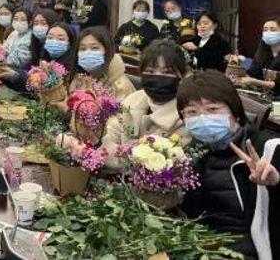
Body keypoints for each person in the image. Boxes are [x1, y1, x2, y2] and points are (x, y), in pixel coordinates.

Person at [178, 70, 279, 258]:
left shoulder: (268, 149)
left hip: (251, 248)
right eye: (192, 112)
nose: (203, 118)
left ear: (236, 113)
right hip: (200, 243)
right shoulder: (190, 154)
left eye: (213, 109)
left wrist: (275, 183)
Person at [102, 40, 191, 168]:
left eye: (166, 72)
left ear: (181, 76)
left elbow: (171, 164)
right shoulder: (133, 100)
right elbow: (109, 140)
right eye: (150, 71)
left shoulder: (187, 113)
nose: (157, 77)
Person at [67, 26, 135, 100]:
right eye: (83, 49)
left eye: (94, 48)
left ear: (107, 50)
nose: (88, 53)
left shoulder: (120, 85)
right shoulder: (78, 78)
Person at [243, 16, 280, 97]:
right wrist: (241, 76)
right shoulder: (261, 52)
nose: (268, 33)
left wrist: (255, 82)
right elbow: (253, 73)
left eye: (273, 30)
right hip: (264, 96)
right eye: (265, 30)